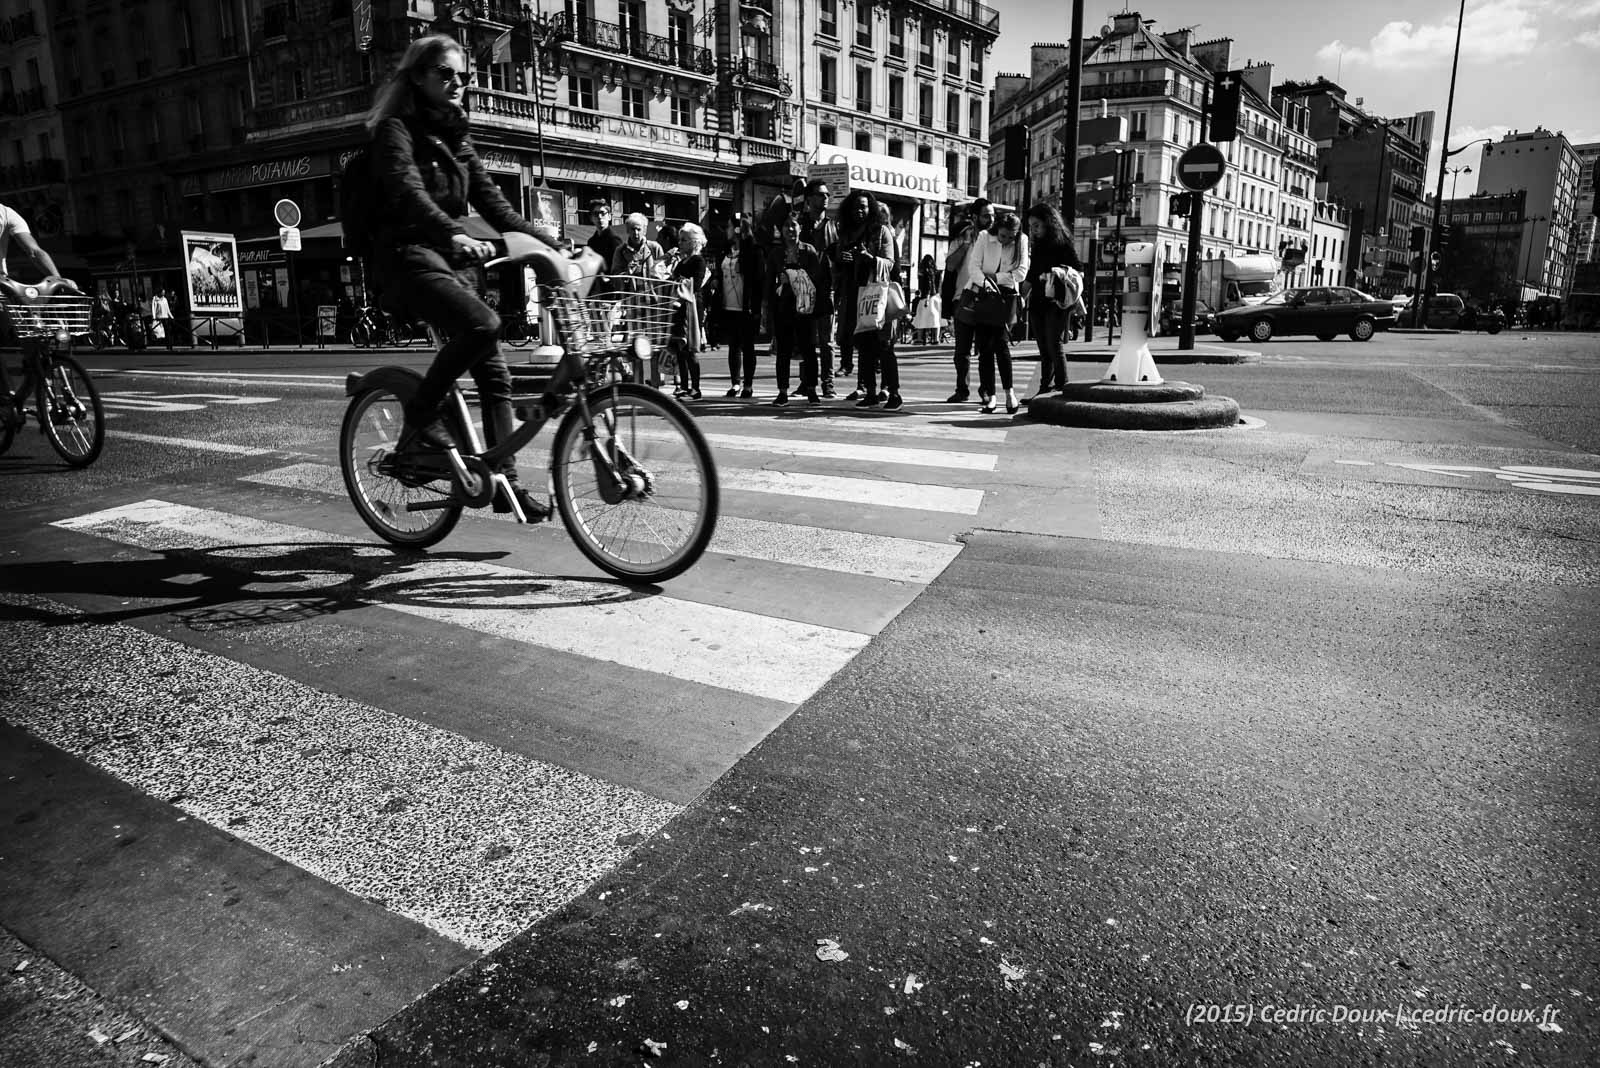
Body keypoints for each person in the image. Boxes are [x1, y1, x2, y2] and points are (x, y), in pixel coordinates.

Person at [367, 33, 561, 520]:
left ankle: (504, 485)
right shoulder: (396, 131)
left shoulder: (456, 138)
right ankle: (422, 411)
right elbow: (410, 193)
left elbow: (496, 205)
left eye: (464, 77)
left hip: (452, 264)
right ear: (418, 77)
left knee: (495, 376)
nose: (458, 84)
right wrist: (452, 233)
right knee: (485, 325)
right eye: (446, 74)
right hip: (407, 258)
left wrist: (551, 243)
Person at [0, 201, 81, 391]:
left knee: (35, 342)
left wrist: (58, 279)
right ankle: (6, 400)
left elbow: (34, 252)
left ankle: (35, 389)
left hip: (3, 288)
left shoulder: (6, 213)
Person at [834, 190, 900, 410]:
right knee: (864, 346)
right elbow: (839, 267)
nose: (859, 211)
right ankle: (870, 392)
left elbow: (890, 263)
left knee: (884, 345)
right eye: (855, 207)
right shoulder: (846, 234)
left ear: (870, 208)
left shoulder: (881, 231)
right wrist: (843, 260)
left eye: (863, 206)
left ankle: (894, 394)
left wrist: (869, 259)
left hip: (878, 295)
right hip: (856, 295)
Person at [966, 210, 1029, 414]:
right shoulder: (985, 237)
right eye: (1003, 236)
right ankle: (991, 396)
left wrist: (994, 277)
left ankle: (1009, 394)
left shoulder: (1022, 240)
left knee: (1001, 344)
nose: (1006, 240)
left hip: (1006, 296)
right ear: (997, 230)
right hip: (984, 294)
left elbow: (1021, 273)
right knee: (984, 348)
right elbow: (973, 267)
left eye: (1011, 237)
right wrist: (987, 282)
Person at [1022, 203, 1083, 397]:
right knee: (1043, 346)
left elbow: (1077, 270)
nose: (1033, 230)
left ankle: (1062, 386)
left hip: (1057, 301)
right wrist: (1020, 297)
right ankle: (1044, 389)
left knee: (1053, 344)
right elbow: (1032, 273)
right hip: (1039, 300)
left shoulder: (1063, 243)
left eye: (1036, 225)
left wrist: (1056, 274)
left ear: (1049, 223)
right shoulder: (1037, 245)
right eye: (1031, 226)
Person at [768, 212, 828, 406]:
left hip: (805, 307)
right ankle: (782, 392)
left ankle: (811, 389)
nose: (790, 229)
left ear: (799, 228)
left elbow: (817, 278)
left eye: (793, 225)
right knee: (783, 350)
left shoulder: (808, 251)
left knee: (808, 349)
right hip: (783, 308)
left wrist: (792, 275)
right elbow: (768, 281)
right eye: (786, 225)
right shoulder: (776, 253)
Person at [942, 198, 992, 402]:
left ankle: (986, 390)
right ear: (974, 216)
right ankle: (962, 389)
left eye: (992, 215)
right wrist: (965, 243)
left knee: (986, 348)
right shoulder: (962, 236)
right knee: (962, 349)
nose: (990, 219)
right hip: (962, 297)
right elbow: (951, 266)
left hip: (987, 297)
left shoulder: (995, 237)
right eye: (986, 215)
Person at [797, 179, 840, 396]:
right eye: (820, 194)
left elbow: (839, 258)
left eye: (827, 195)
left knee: (826, 341)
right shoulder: (800, 225)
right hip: (804, 289)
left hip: (826, 289)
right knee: (806, 339)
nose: (825, 198)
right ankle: (807, 381)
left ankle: (828, 383)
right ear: (809, 199)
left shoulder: (834, 226)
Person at [663, 222, 710, 399]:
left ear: (693, 242)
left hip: (691, 308)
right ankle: (683, 385)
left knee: (690, 349)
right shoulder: (681, 262)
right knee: (679, 349)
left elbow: (696, 285)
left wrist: (680, 282)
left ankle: (696, 387)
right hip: (678, 307)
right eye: (680, 240)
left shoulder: (698, 261)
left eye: (684, 240)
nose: (680, 243)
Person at [718, 214, 763, 398]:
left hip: (746, 306)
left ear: (737, 229)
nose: (727, 230)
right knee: (733, 346)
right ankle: (735, 383)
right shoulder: (726, 250)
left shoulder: (752, 251)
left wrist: (757, 307)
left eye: (729, 227)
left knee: (748, 345)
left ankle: (748, 385)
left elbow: (758, 279)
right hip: (728, 305)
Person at [585, 199, 622, 273]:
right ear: (591, 218)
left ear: (609, 216)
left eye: (602, 213)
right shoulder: (591, 242)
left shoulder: (615, 240)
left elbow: (619, 268)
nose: (599, 217)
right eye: (596, 214)